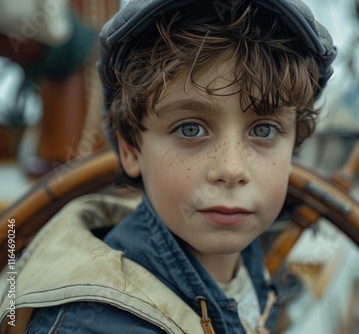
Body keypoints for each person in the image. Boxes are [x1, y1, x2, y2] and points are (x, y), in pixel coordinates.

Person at [0, 0, 336, 333]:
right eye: (191, 129)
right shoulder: (96, 324)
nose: (232, 169)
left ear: (293, 146)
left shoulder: (248, 263)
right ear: (131, 149)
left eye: (263, 130)